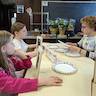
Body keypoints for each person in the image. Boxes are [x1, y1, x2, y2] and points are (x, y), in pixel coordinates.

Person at [0, 30, 63, 96]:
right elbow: (11, 85)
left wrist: (21, 55)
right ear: (3, 49)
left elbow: (27, 65)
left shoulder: (9, 59)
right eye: (11, 43)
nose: (13, 45)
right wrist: (42, 81)